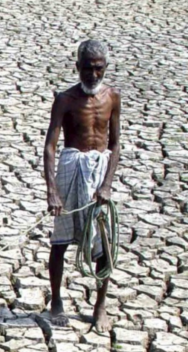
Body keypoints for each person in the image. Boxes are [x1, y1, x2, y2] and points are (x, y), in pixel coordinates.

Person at [43, 39, 121, 332]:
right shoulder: (65, 99)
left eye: (98, 68)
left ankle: (100, 307)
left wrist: (107, 185)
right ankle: (56, 301)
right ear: (77, 67)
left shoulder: (112, 97)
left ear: (106, 67)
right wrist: (52, 191)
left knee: (103, 243)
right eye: (87, 68)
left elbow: (115, 144)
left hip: (100, 171)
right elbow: (50, 146)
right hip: (71, 167)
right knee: (60, 241)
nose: (93, 75)